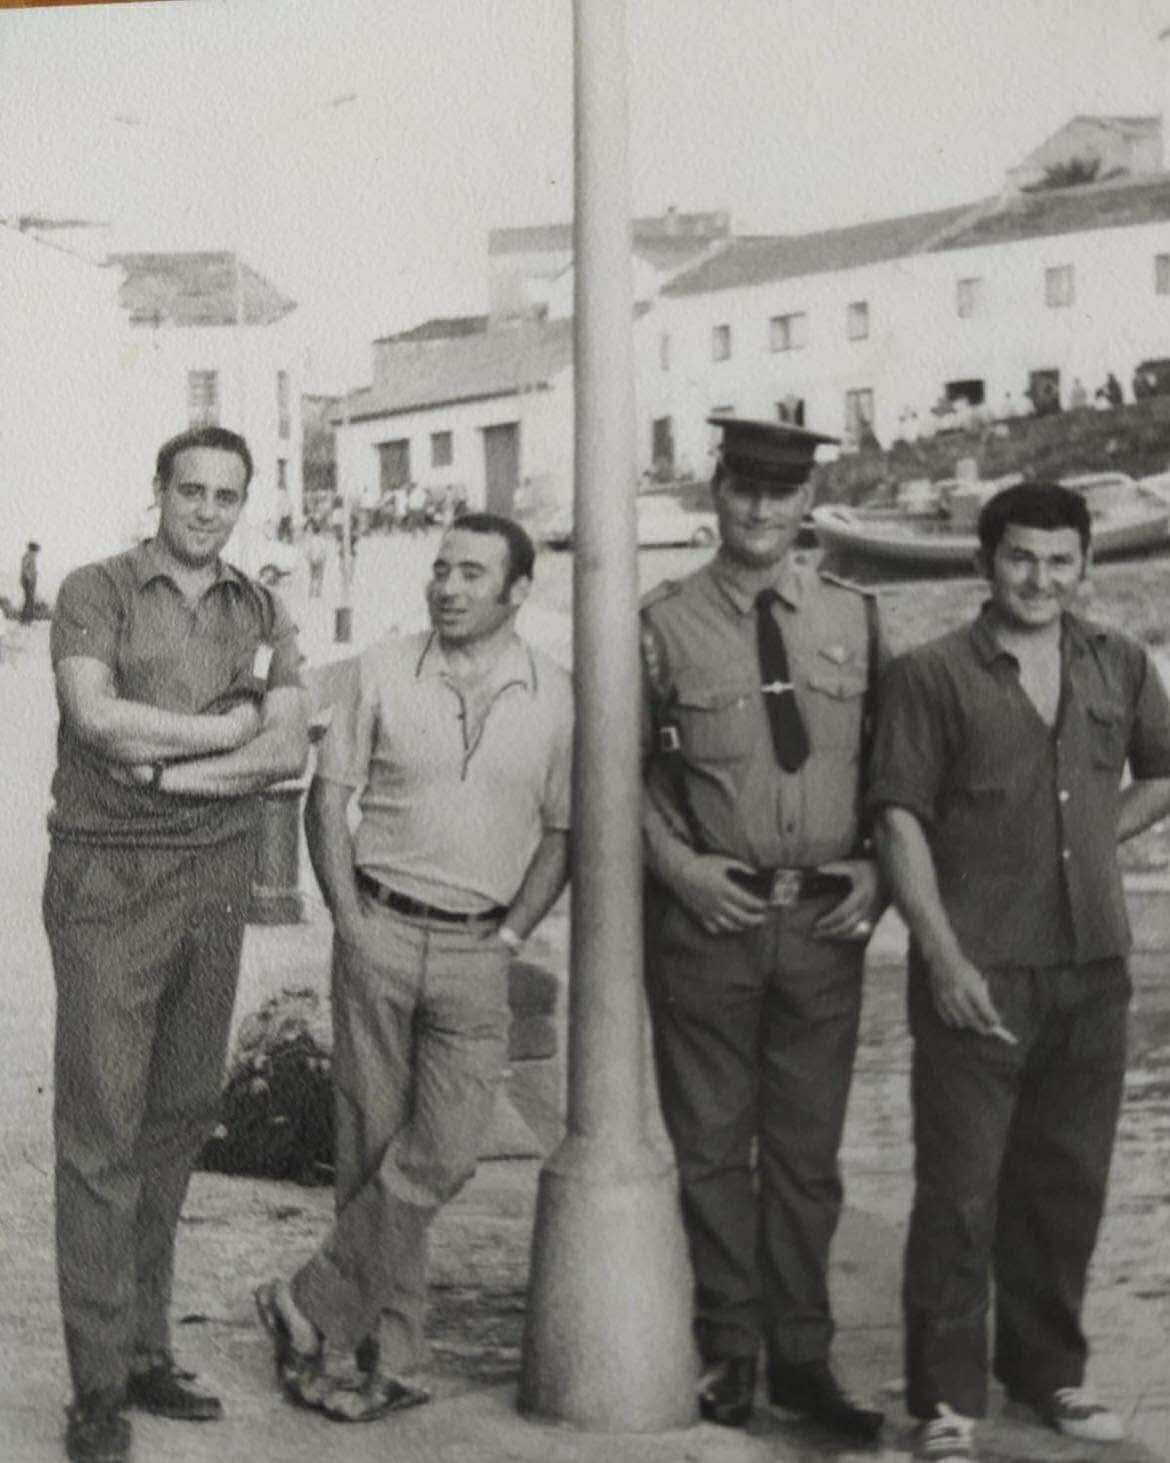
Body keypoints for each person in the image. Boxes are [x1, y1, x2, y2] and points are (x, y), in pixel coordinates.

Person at [868, 483, 1170, 1462]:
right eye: (1020, 558)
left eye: (1060, 559)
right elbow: (898, 816)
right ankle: (947, 1400)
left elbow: (1162, 771)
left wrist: (1086, 833)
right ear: (983, 563)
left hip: (1092, 964)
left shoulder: (1118, 660)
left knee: (1067, 1180)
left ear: (1085, 564)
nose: (1040, 578)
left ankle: (1052, 1374)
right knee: (960, 1189)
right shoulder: (930, 673)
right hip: (978, 966)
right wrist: (943, 952)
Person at [255, 512, 573, 1424]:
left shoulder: (558, 694)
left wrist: (512, 935)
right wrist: (347, 918)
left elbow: (562, 833)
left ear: (519, 590)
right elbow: (330, 798)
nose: (448, 585)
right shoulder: (385, 669)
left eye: (472, 572)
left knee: (445, 1147)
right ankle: (384, 1358)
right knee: (370, 1146)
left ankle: (307, 1302)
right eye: (441, 568)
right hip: (381, 930)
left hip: (482, 948)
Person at [43, 425, 309, 1463]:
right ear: (158, 491)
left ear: (244, 502)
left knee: (180, 1117)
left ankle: (149, 1346)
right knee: (102, 1130)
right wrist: (226, 734)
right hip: (109, 875)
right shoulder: (94, 590)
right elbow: (95, 716)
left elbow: (289, 745)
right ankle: (97, 1386)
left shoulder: (262, 606)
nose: (206, 508)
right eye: (190, 489)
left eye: (225, 494)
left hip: (213, 878)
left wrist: (170, 770)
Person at [640, 416, 888, 1443]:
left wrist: (876, 864)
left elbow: (895, 767)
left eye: (783, 493)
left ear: (807, 500)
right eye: (745, 488)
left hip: (824, 921)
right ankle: (730, 1349)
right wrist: (683, 869)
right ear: (716, 492)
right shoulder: (658, 623)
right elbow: (619, 776)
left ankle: (803, 1357)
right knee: (708, 1146)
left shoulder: (856, 617)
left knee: (807, 1153)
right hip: (712, 916)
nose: (761, 510)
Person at [20, 539, 40, 624]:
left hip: (30, 580)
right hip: (28, 580)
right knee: (29, 599)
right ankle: (26, 619)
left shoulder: (29, 556)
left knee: (29, 599)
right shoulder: (28, 556)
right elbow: (25, 568)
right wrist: (29, 577)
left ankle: (27, 619)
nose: (36, 553)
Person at [305, 523, 327, 598]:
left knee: (312, 577)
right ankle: (318, 592)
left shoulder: (310, 540)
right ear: (319, 531)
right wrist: (323, 559)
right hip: (320, 560)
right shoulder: (322, 540)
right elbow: (324, 551)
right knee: (320, 577)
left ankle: (311, 591)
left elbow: (307, 551)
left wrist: (309, 559)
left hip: (312, 560)